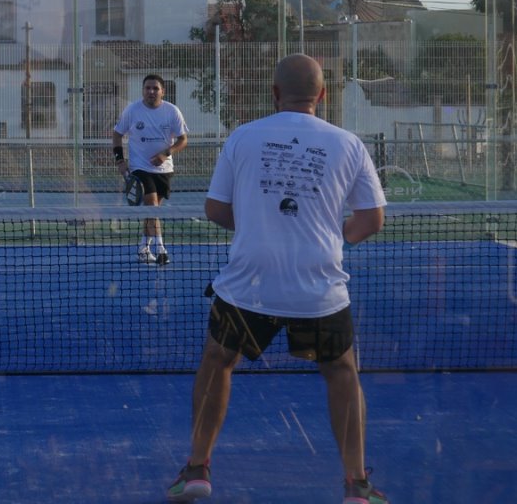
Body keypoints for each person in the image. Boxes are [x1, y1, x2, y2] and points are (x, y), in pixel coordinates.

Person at [166, 54, 388, 504]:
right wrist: (330, 235)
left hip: (248, 284)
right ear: (322, 96)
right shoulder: (348, 144)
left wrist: (257, 226)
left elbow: (214, 209)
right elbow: (371, 220)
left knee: (217, 363)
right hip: (320, 287)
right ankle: (356, 485)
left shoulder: (243, 137)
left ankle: (197, 469)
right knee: (342, 373)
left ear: (274, 93)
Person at [112, 73, 188, 263]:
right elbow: (116, 135)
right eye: (148, 88)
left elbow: (183, 139)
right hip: (140, 168)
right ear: (143, 90)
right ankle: (161, 249)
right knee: (152, 208)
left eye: (155, 88)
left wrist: (166, 154)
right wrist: (120, 161)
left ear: (163, 91)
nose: (151, 91)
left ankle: (143, 248)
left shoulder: (172, 111)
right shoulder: (132, 111)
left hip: (164, 170)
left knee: (152, 212)